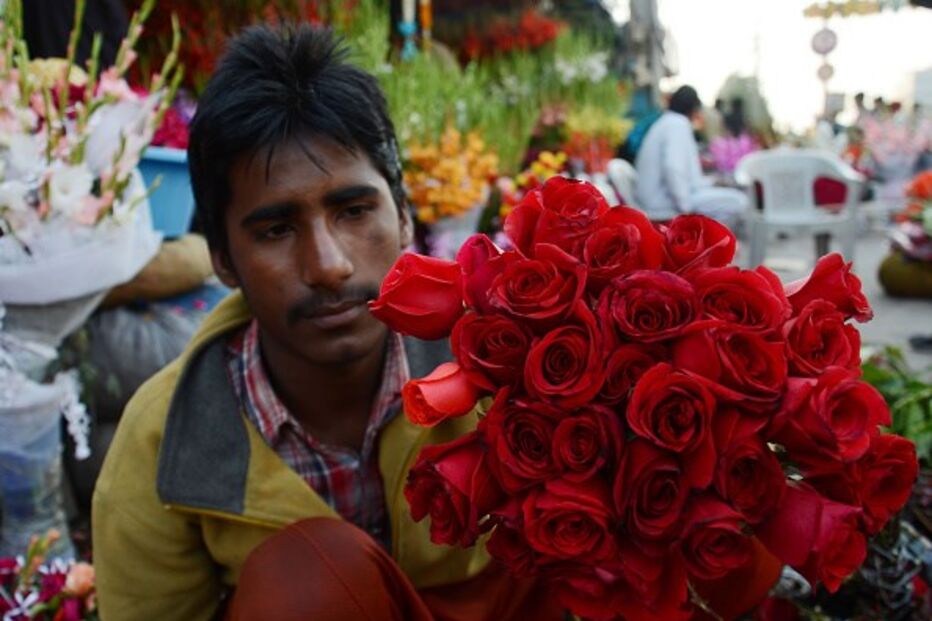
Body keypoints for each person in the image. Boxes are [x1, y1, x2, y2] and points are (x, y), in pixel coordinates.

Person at [92, 24, 559, 621]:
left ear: (405, 218)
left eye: (355, 210)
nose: (329, 266)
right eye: (276, 230)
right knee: (306, 580)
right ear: (222, 261)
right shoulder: (162, 444)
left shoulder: (508, 363)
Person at [634, 85, 748, 228]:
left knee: (728, 198)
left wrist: (711, 182)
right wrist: (686, 209)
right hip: (663, 204)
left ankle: (710, 243)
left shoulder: (667, 122)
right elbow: (673, 168)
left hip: (659, 199)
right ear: (693, 108)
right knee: (739, 201)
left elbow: (686, 178)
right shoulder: (677, 124)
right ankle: (712, 246)